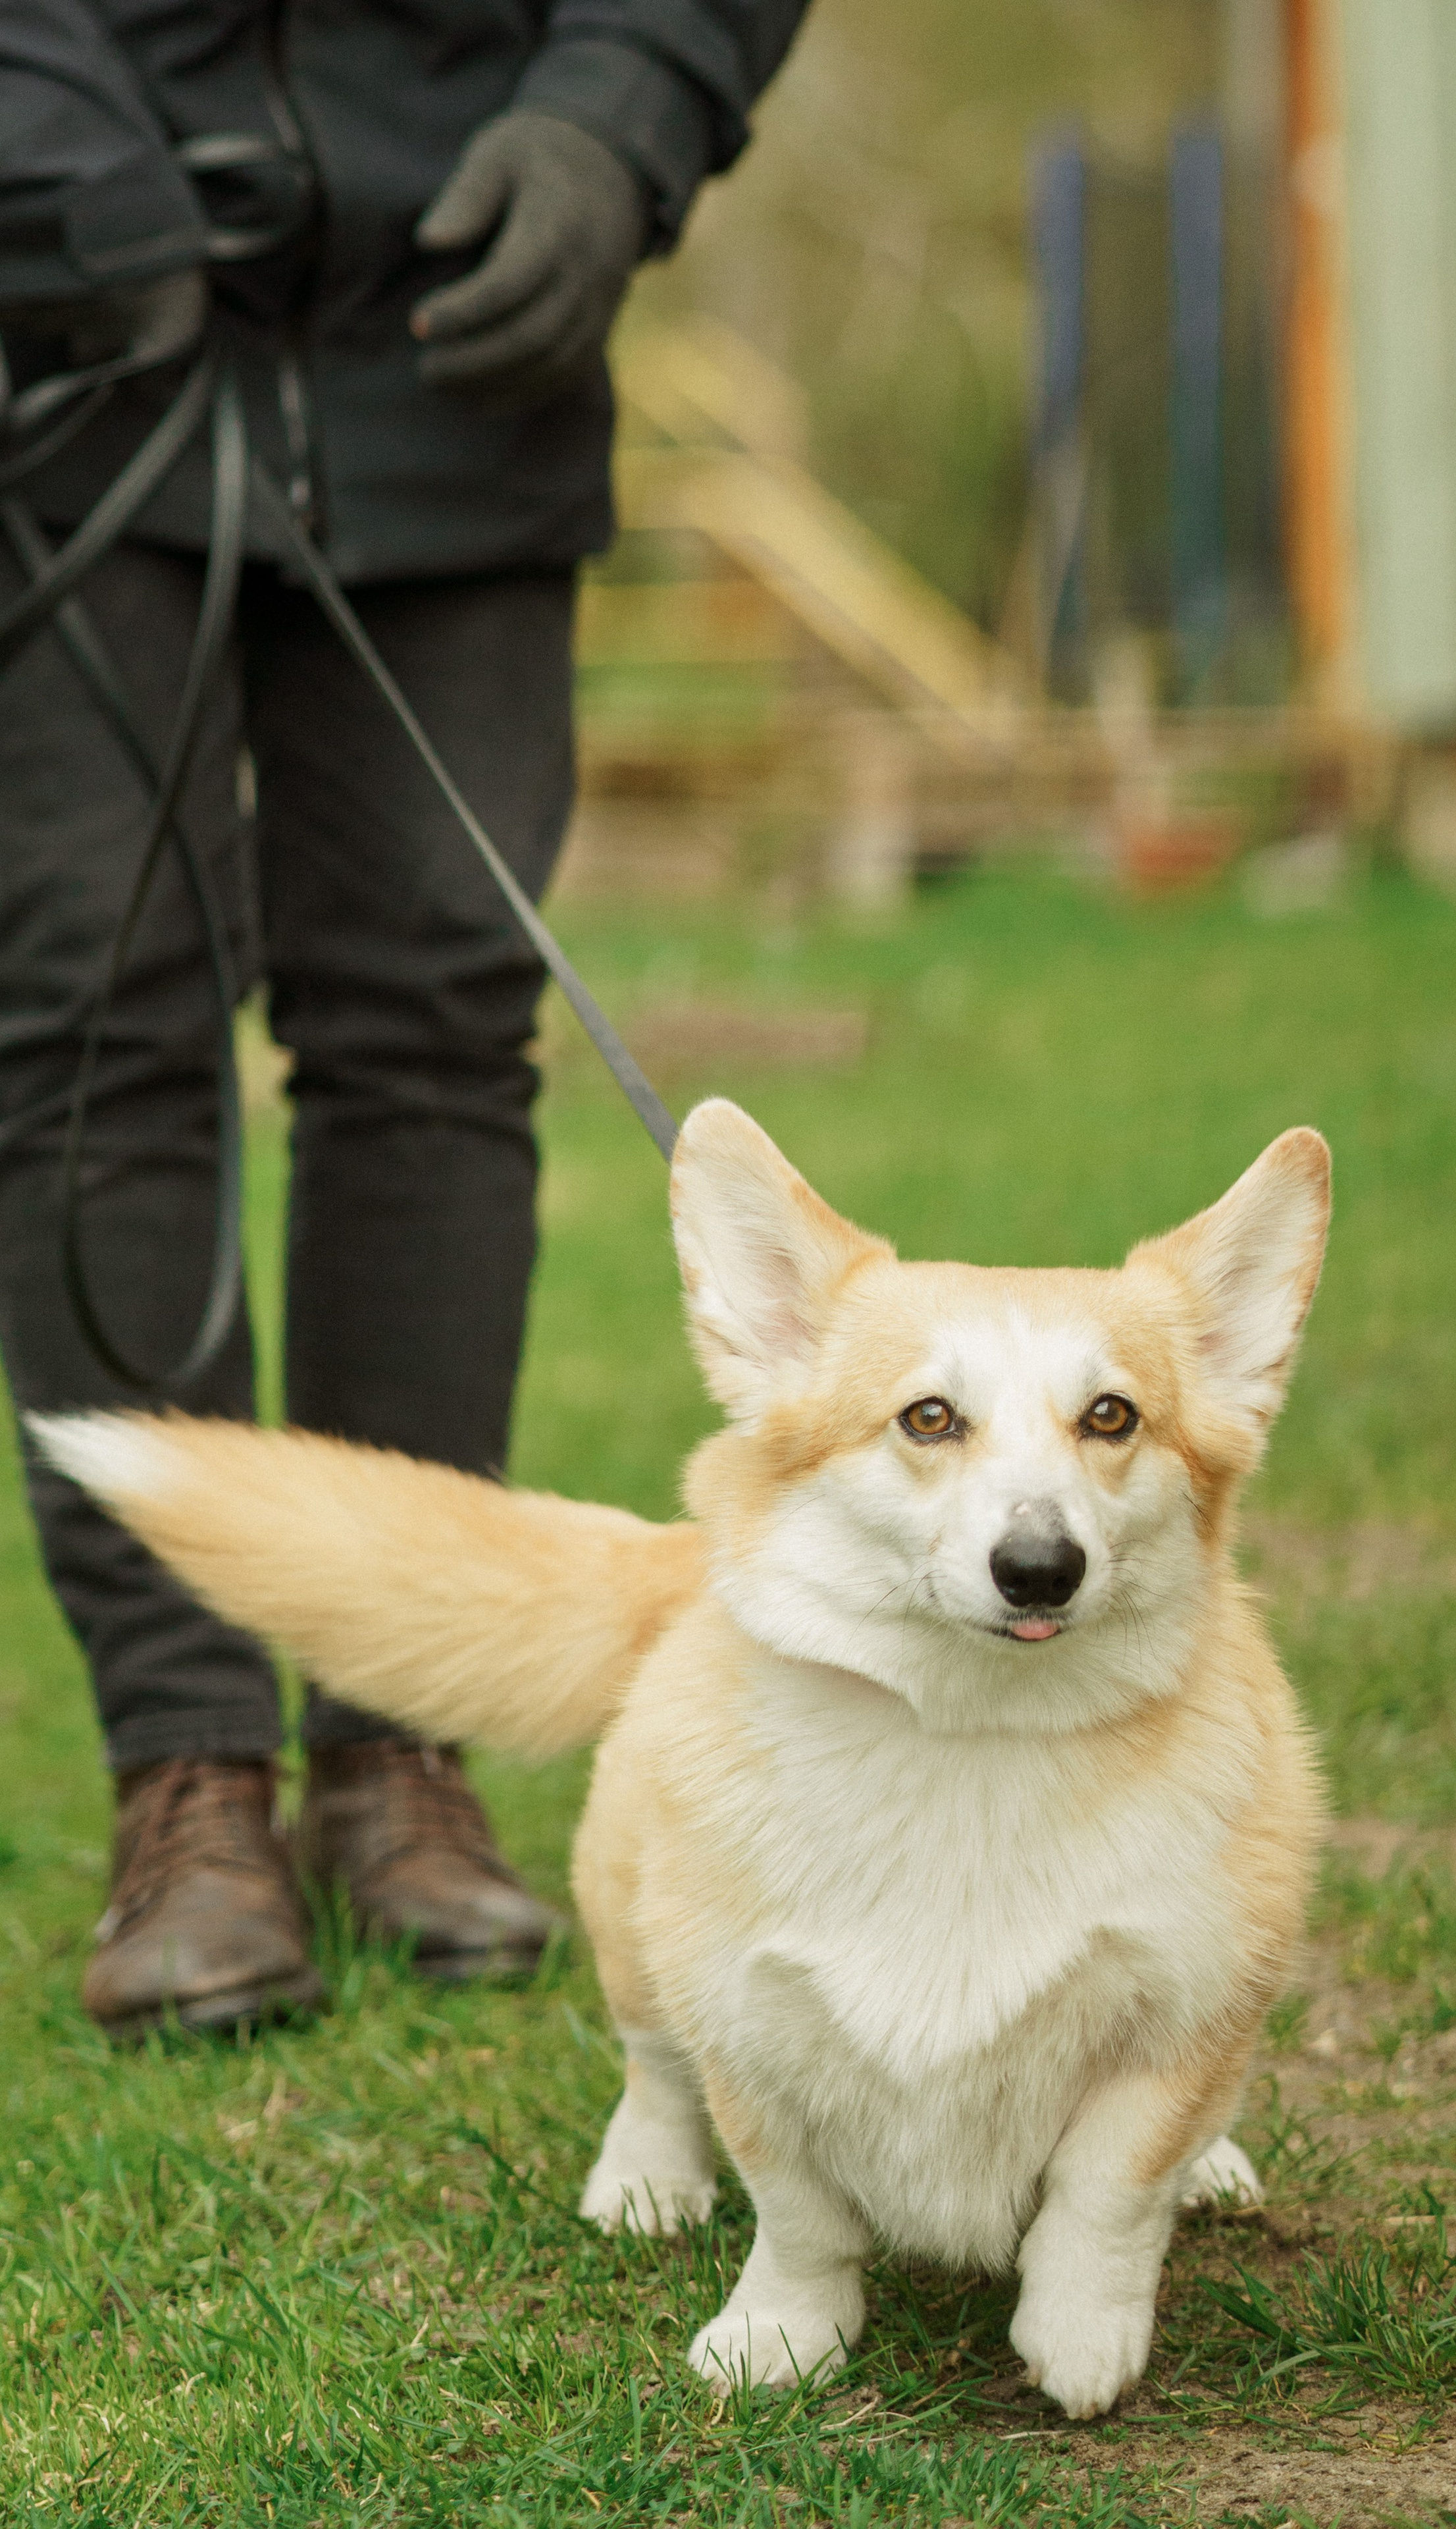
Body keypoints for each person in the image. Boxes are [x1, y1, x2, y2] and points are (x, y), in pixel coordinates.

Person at [0, 0, 807, 2040]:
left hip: (460, 310)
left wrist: (627, 108)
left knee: (440, 1011)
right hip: (55, 309)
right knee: (90, 1005)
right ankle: (189, 1773)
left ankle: (395, 1731)